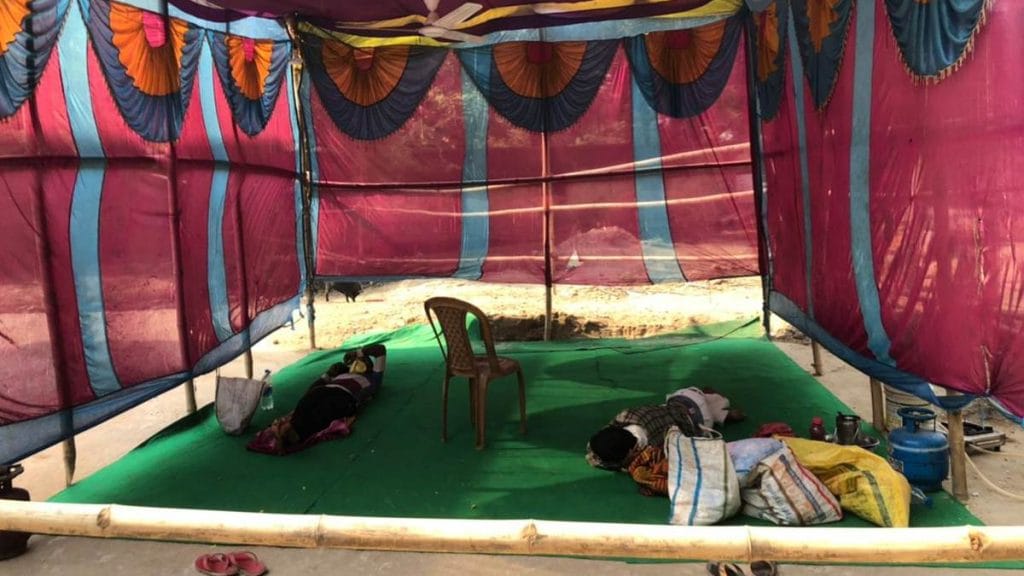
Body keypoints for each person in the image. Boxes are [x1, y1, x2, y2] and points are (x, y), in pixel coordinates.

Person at [586, 387, 744, 471]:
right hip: (683, 398)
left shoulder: (654, 451)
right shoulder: (625, 416)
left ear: (630, 452)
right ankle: (710, 399)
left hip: (701, 421)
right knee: (691, 401)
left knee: (709, 416)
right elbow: (603, 438)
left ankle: (723, 413)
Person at [270, 343, 387, 449]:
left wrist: (358, 353)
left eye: (363, 362)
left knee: (322, 411)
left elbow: (379, 350)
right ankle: (289, 430)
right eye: (355, 362)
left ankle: (292, 434)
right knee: (308, 399)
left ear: (370, 368)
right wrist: (328, 374)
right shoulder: (342, 374)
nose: (357, 363)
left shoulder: (373, 379)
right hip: (324, 391)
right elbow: (317, 386)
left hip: (345, 397)